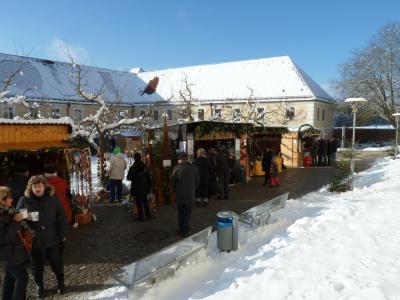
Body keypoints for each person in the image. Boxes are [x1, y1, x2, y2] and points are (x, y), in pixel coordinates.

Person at [17, 175, 68, 298]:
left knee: (56, 262)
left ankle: (61, 283)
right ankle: (39, 285)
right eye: (35, 187)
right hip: (34, 239)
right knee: (36, 266)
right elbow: (17, 216)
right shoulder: (24, 200)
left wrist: (63, 234)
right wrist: (24, 216)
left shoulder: (53, 197)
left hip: (53, 237)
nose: (37, 189)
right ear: (31, 188)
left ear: (44, 186)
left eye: (39, 186)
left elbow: (61, 216)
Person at [0, 186, 30, 300]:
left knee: (10, 279)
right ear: (2, 200)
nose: (12, 200)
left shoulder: (7, 210)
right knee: (22, 278)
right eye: (9, 198)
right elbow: (2, 238)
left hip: (11, 253)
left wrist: (23, 218)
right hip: (9, 254)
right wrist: (16, 222)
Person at [172, 153, 199, 237]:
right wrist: (193, 188)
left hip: (180, 194)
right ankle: (185, 229)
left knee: (180, 212)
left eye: (178, 159)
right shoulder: (194, 168)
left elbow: (173, 182)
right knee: (187, 212)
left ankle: (181, 229)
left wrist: (176, 190)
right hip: (190, 194)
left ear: (181, 159)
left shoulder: (176, 168)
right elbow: (197, 181)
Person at [127, 152, 153, 221]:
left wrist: (134, 176)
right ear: (140, 158)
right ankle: (148, 215)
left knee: (138, 202)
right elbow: (149, 178)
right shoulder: (145, 166)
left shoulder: (132, 168)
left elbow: (128, 177)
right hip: (144, 186)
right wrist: (150, 186)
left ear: (134, 158)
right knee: (145, 201)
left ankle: (141, 216)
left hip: (136, 187)